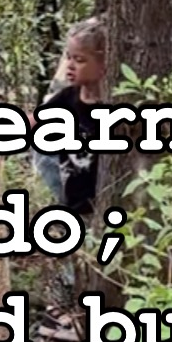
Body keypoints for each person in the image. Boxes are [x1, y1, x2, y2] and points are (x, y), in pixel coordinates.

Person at [35, 16, 108, 221]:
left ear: (104, 65)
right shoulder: (68, 97)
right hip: (72, 200)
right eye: (69, 58)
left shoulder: (113, 109)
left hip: (99, 203)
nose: (70, 66)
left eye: (80, 60)